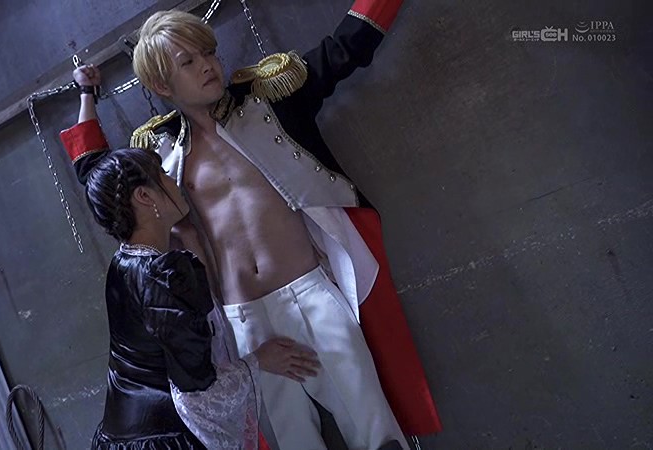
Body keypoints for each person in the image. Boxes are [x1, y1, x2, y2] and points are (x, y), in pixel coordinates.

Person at [62, 1, 442, 448]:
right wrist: (86, 94)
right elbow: (99, 177)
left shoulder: (270, 100)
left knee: (375, 429)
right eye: (189, 61)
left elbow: (346, 48)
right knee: (291, 442)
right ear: (162, 84)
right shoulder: (160, 153)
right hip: (241, 322)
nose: (208, 65)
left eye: (209, 52)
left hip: (310, 293)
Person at [81, 147, 320, 449]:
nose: (173, 181)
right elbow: (198, 393)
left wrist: (191, 237)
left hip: (121, 436)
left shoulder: (124, 263)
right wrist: (259, 361)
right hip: (161, 440)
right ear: (144, 196)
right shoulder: (161, 276)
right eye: (163, 176)